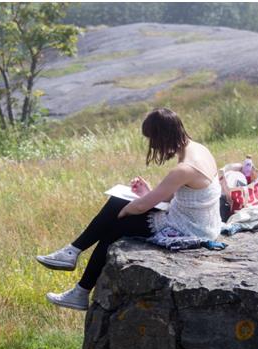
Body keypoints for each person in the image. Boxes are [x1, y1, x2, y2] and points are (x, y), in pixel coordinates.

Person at [36, 108, 222, 310]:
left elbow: (142, 206)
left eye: (152, 139)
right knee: (117, 212)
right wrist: (147, 192)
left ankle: (75, 268)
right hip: (199, 222)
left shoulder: (184, 168)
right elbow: (175, 197)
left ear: (161, 137)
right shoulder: (198, 149)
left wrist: (123, 212)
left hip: (188, 228)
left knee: (114, 220)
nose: (152, 145)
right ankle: (75, 270)